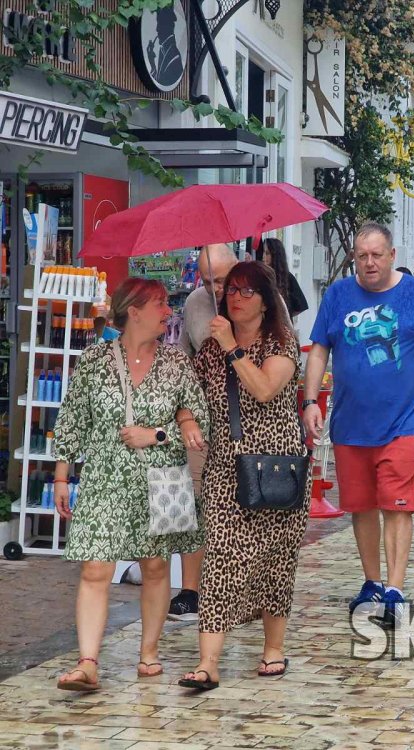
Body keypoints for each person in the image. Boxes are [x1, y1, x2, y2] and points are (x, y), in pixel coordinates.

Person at [52, 278, 209, 691]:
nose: (167, 311)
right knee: (95, 567)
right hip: (105, 477)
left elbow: (200, 422)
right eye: (159, 303)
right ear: (133, 311)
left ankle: (149, 653)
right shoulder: (95, 361)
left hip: (161, 479)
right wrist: (62, 476)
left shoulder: (177, 363)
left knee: (156, 567)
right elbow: (72, 422)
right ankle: (88, 661)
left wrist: (155, 434)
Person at [302, 223, 414, 627]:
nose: (369, 262)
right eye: (362, 255)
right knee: (362, 506)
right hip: (350, 424)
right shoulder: (337, 295)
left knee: (397, 503)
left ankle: (395, 590)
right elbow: (319, 350)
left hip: (400, 422)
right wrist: (310, 399)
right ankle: (371, 581)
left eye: (376, 255)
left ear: (391, 255)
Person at [179, 261, 308, 690]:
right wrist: (187, 420)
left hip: (276, 467)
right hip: (224, 470)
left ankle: (273, 649)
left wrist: (232, 347)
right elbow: (188, 393)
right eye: (230, 289)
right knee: (219, 561)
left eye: (246, 291)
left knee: (275, 561)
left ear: (266, 302)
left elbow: (264, 388)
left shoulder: (282, 343)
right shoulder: (212, 345)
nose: (234, 296)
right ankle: (208, 663)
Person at [170, 243, 238, 623]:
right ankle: (191, 590)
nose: (215, 289)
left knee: (239, 502)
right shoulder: (196, 302)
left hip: (247, 419)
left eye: (222, 281)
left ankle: (238, 584)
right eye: (208, 280)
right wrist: (185, 416)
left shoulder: (261, 297)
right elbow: (183, 359)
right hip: (202, 415)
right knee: (192, 500)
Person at [259, 237, 309, 319]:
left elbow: (301, 305)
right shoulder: (261, 276)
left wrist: (285, 316)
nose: (263, 257)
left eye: (267, 253)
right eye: (263, 253)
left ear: (275, 255)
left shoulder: (287, 277)